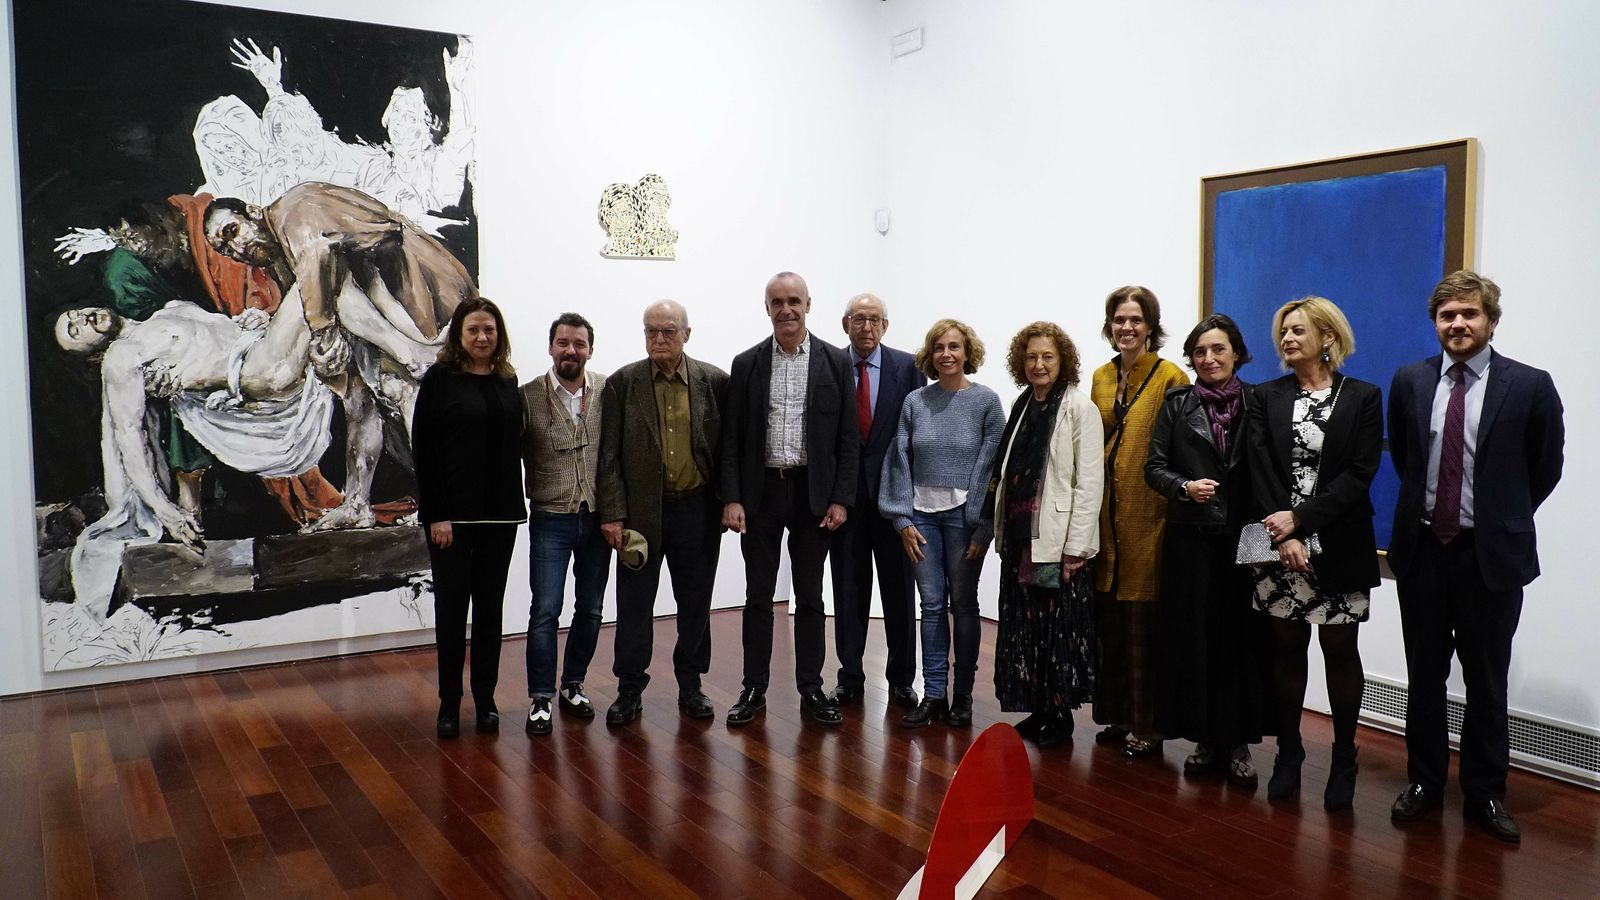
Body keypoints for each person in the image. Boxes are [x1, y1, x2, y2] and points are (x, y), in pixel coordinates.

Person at [1387, 272, 1564, 843]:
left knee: (1487, 681)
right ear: (1435, 322)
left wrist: (1498, 517)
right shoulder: (1410, 381)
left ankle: (1485, 792)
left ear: (1490, 321)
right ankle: (1424, 783)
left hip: (1490, 559)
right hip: (1424, 555)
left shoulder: (1530, 385)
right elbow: (1408, 462)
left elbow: (1545, 467)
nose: (1457, 324)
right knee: (1425, 677)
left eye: (1468, 314)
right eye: (1447, 315)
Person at [54, 299, 332, 617]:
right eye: (74, 330)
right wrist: (163, 509)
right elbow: (130, 437)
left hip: (266, 359)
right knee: (313, 280)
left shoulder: (163, 311)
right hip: (259, 385)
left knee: (330, 293)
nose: (80, 318)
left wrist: (247, 323)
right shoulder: (122, 356)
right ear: (92, 356)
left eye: (72, 314)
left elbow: (218, 334)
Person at [1246, 296, 1381, 809]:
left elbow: (1360, 473)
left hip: (1339, 543)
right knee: (1286, 649)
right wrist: (1286, 533)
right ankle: (1289, 752)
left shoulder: (1363, 396)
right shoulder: (1265, 395)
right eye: (1283, 331)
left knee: (1341, 652)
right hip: (1276, 541)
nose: (1287, 338)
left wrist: (1303, 521)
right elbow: (1259, 468)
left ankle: (1344, 756)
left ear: (1328, 337)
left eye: (1299, 330)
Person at [720, 272, 859, 726]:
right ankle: (753, 687)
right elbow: (732, 439)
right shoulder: (747, 364)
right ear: (766, 308)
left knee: (810, 598)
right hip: (760, 494)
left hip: (812, 497)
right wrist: (733, 497)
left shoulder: (836, 362)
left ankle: (811, 689)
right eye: (777, 301)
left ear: (808, 304)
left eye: (794, 300)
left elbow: (847, 439)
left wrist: (841, 499)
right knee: (758, 595)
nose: (786, 309)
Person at [1146, 314, 1268, 785]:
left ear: (1236, 353)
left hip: (1247, 536)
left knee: (1239, 642)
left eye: (1218, 349)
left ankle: (1236, 742)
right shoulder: (1176, 404)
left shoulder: (1261, 402)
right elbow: (1153, 467)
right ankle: (1202, 739)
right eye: (1200, 352)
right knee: (1193, 641)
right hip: (1190, 538)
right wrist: (1183, 486)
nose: (1209, 359)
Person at [597, 300, 729, 724]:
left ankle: (691, 684)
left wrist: (729, 502)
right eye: (651, 331)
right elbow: (609, 457)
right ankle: (629, 687)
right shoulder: (623, 383)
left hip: (696, 511)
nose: (658, 339)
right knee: (634, 603)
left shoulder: (714, 382)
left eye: (668, 331)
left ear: (687, 334)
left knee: (695, 602)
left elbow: (727, 452)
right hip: (641, 515)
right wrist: (613, 514)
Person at [881, 319, 1006, 728]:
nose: (946, 354)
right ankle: (934, 694)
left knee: (964, 605)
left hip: (964, 520)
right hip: (920, 519)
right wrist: (901, 518)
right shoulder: (916, 401)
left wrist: (984, 527)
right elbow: (898, 461)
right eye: (939, 347)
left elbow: (996, 471)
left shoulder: (987, 403)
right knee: (931, 606)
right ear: (930, 355)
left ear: (968, 352)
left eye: (954, 346)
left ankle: (963, 696)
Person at [411, 297, 526, 738]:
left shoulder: (506, 380)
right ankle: (448, 702)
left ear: (500, 336)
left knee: (491, 613)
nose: (482, 337)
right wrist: (437, 515)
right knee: (453, 612)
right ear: (459, 335)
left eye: (490, 331)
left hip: (500, 518)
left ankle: (486, 698)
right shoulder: (440, 379)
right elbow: (425, 449)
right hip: (451, 521)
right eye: (474, 330)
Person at [987, 321, 1102, 747]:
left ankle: (1059, 716)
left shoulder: (1078, 408)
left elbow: (1089, 484)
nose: (1038, 364)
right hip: (1022, 540)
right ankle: (1038, 711)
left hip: (1056, 540)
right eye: (1031, 356)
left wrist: (1077, 549)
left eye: (1047, 356)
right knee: (1028, 628)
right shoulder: (1022, 406)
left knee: (1056, 629)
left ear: (1063, 361)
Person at [1089, 285, 1189, 759]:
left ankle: (1148, 725)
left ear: (1151, 326)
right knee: (1110, 622)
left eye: (1136, 319)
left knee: (1142, 622)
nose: (1126, 327)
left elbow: (1180, 446)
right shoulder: (1101, 378)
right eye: (1118, 319)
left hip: (1151, 513)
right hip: (1106, 515)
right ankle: (1118, 715)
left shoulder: (1171, 375)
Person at [829, 293, 925, 710]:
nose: (866, 327)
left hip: (894, 502)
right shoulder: (830, 365)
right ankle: (850, 675)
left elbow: (917, 432)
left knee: (900, 592)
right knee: (848, 590)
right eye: (858, 319)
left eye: (874, 320)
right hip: (845, 501)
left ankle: (902, 678)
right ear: (845, 323)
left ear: (885, 326)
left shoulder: (909, 367)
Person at [519, 313, 609, 735]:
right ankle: (541, 697)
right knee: (545, 611)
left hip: (597, 519)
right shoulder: (527, 397)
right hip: (550, 520)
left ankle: (573, 685)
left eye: (579, 344)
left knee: (590, 609)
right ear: (551, 347)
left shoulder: (609, 390)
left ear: (590, 349)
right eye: (563, 343)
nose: (571, 351)